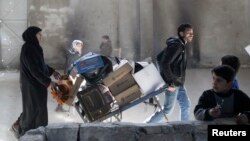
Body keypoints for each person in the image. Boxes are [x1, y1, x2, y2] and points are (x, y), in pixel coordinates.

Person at [10, 26, 61, 138]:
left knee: (36, 108)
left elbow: (41, 65)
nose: (41, 36)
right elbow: (34, 69)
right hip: (31, 85)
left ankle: (36, 131)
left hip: (37, 84)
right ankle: (24, 132)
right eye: (39, 34)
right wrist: (48, 82)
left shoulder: (35, 47)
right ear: (32, 35)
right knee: (33, 109)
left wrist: (52, 72)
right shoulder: (28, 48)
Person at [145, 23, 193, 123]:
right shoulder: (177, 46)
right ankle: (146, 125)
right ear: (181, 33)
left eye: (192, 33)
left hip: (178, 82)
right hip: (173, 83)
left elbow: (159, 58)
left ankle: (184, 128)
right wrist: (169, 82)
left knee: (186, 104)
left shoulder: (180, 45)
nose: (191, 35)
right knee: (167, 110)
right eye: (188, 33)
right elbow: (164, 63)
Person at [55, 39, 84, 112]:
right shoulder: (73, 54)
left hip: (73, 74)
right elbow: (72, 64)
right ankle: (59, 107)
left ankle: (64, 106)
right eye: (79, 45)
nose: (81, 47)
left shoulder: (76, 53)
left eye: (81, 45)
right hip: (70, 74)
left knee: (72, 90)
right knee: (66, 91)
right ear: (74, 46)